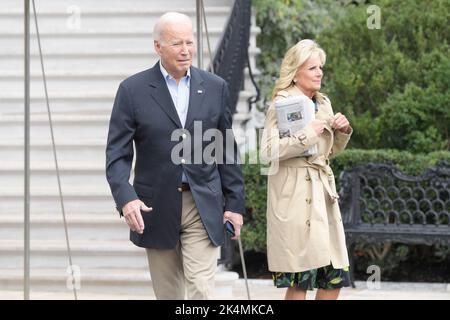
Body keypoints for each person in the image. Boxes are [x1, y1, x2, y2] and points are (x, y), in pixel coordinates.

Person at [105, 12, 245, 300]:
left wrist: (234, 204)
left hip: (202, 203)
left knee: (201, 291)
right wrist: (126, 197)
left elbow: (226, 150)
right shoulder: (132, 91)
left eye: (189, 42)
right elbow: (117, 155)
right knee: (169, 294)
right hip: (154, 206)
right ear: (158, 47)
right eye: (177, 43)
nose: (185, 50)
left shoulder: (215, 87)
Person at [260, 39, 352, 300]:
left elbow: (327, 152)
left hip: (323, 197)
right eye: (312, 68)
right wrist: (306, 134)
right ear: (296, 71)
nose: (319, 72)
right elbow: (268, 152)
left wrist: (342, 131)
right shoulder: (281, 103)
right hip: (294, 199)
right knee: (300, 280)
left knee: (334, 276)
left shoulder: (323, 102)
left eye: (320, 67)